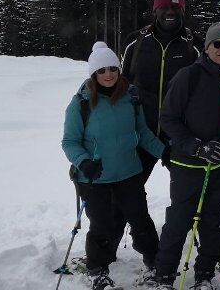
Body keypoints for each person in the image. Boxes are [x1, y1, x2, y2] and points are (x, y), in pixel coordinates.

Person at [62, 42, 167, 290]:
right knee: (102, 226)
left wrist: (165, 152)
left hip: (129, 172)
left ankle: (154, 261)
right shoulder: (81, 103)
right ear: (93, 74)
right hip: (95, 177)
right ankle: (98, 271)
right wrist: (84, 162)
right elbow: (69, 142)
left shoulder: (130, 97)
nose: (108, 74)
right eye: (102, 70)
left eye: (112, 68)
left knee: (141, 220)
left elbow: (142, 132)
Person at [145, 22, 220, 289]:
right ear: (207, 48)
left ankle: (204, 275)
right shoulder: (189, 75)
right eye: (217, 44)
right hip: (187, 163)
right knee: (178, 221)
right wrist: (195, 146)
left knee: (213, 221)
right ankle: (164, 274)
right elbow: (168, 117)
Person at [116, 0, 200, 242]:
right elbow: (119, 86)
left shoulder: (193, 45)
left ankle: (216, 251)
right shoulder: (135, 43)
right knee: (127, 195)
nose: (170, 12)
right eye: (164, 7)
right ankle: (106, 251)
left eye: (175, 8)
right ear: (155, 10)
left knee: (192, 198)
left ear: (183, 10)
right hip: (142, 135)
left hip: (180, 136)